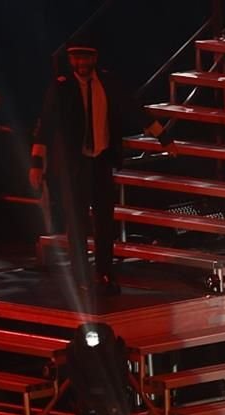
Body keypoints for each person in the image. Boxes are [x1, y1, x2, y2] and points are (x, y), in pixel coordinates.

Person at [29, 38, 174, 297]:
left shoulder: (108, 82)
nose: (80, 63)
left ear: (94, 58)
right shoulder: (61, 87)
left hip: (101, 160)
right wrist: (37, 163)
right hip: (75, 163)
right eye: (76, 58)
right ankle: (81, 276)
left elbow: (132, 109)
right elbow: (46, 126)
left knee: (105, 222)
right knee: (77, 221)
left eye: (85, 57)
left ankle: (104, 272)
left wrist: (162, 136)